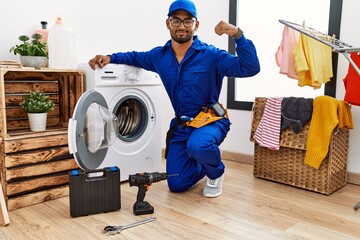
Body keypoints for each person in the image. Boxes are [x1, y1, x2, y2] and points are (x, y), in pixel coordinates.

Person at [89, 0, 260, 198]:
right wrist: (110, 57)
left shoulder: (212, 55)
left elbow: (250, 67)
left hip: (211, 121)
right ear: (168, 23)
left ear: (196, 25)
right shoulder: (159, 56)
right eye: (176, 20)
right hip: (182, 126)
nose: (181, 26)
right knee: (177, 184)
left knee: (198, 145)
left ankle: (216, 172)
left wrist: (236, 34)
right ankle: (202, 163)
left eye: (188, 21)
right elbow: (134, 57)